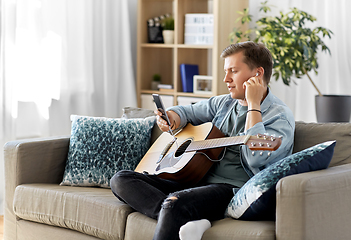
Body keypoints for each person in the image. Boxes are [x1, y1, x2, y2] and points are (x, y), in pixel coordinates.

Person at [110, 41, 295, 240]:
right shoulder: (224, 103)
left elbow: (255, 159)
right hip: (196, 181)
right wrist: (172, 117)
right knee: (121, 179)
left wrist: (254, 104)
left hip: (231, 190)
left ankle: (175, 210)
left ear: (257, 74)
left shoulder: (280, 116)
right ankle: (181, 216)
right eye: (226, 71)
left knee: (175, 203)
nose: (226, 79)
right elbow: (187, 111)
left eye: (233, 71)